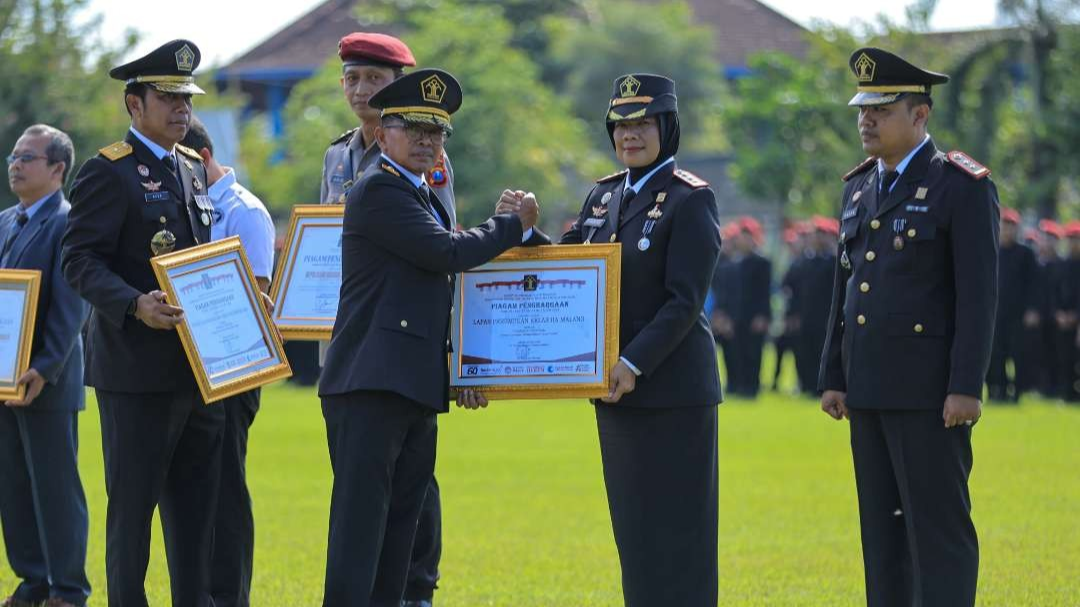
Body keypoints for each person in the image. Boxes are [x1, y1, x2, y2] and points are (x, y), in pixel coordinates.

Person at [317, 68, 537, 607]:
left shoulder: (424, 197)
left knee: (399, 536)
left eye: (435, 133)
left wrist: (530, 237)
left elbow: (452, 261)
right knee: (360, 537)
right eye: (412, 128)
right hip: (370, 385)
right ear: (384, 132)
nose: (425, 141)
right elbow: (448, 253)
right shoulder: (377, 191)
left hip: (411, 385)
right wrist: (509, 225)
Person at [504, 73, 722, 607]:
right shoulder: (602, 195)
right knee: (635, 531)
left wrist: (633, 361)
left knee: (681, 535)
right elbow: (568, 271)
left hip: (672, 392)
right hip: (613, 391)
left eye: (643, 123)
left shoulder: (690, 199)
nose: (631, 135)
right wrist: (525, 232)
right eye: (621, 125)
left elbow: (684, 300)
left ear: (667, 128)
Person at [819, 47, 999, 607]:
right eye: (862, 110)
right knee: (882, 533)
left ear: (920, 115)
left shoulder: (960, 185)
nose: (866, 121)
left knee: (936, 530)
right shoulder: (858, 187)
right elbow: (845, 288)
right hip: (869, 388)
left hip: (929, 393)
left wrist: (965, 385)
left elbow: (979, 295)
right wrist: (834, 373)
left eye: (881, 109)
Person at [61, 40, 226, 607]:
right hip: (136, 371)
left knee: (196, 510)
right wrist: (135, 303)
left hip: (201, 369)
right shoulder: (108, 172)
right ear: (135, 105)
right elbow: (79, 261)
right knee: (133, 510)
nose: (182, 108)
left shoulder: (190, 168)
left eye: (187, 97)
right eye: (168, 97)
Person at [319, 33, 451, 606]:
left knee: (409, 491)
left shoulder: (426, 156)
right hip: (352, 338)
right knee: (358, 489)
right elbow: (321, 241)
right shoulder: (336, 154)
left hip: (404, 346)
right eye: (351, 78)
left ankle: (415, 589)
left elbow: (444, 251)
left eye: (374, 79)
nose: (360, 90)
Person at [180, 116, 275, 607]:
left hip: (234, 366)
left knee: (225, 489)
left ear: (201, 157)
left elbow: (256, 293)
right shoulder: (188, 205)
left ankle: (228, 595)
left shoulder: (244, 211)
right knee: (193, 488)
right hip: (188, 368)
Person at [1, 124, 90, 607]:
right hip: (3, 380)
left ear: (57, 170)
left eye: (27, 157)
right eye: (14, 156)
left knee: (55, 488)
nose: (15, 164)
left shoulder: (66, 223)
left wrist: (47, 366)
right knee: (12, 487)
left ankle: (68, 588)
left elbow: (71, 306)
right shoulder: (3, 221)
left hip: (45, 381)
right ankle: (33, 579)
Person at [987, 208, 1038, 402]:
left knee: (1018, 353)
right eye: (1005, 226)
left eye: (1011, 227)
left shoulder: (1026, 254)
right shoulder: (992, 250)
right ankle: (996, 389)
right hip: (995, 312)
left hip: (1018, 312)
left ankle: (1017, 391)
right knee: (995, 353)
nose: (1007, 231)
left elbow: (1034, 284)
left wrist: (1032, 309)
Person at [729, 217, 771, 398]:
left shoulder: (762, 262)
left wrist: (763, 315)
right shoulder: (735, 263)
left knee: (754, 352)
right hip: (738, 315)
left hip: (755, 316)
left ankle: (752, 387)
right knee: (738, 351)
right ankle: (739, 384)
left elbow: (765, 292)